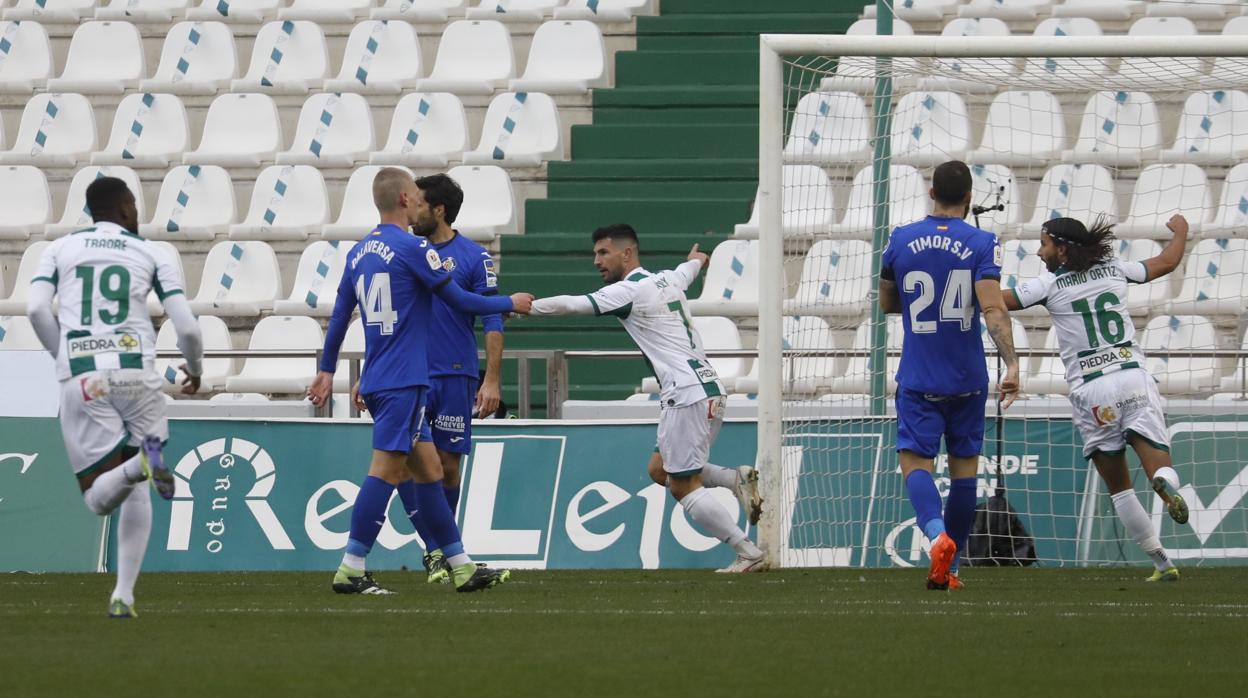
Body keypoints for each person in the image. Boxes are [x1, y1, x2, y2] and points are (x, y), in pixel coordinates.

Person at [306, 168, 533, 594]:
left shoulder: (358, 253)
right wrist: (510, 303)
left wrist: (328, 368)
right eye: (415, 195)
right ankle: (352, 566)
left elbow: (339, 316)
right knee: (386, 473)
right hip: (406, 380)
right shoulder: (413, 249)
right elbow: (460, 299)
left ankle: (461, 565)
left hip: (380, 376)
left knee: (430, 471)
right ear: (407, 199)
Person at [529, 224, 767, 573]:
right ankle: (735, 480)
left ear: (627, 253)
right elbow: (687, 273)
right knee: (660, 470)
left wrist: (525, 307)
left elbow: (572, 304)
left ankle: (747, 551)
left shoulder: (630, 291)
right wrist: (697, 261)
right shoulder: (667, 279)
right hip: (708, 388)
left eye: (603, 252)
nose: (597, 261)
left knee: (683, 485)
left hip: (685, 394)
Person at [27, 177, 204, 618]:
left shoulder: (59, 249)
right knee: (137, 489)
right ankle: (123, 595)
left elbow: (34, 310)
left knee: (98, 498)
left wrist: (63, 356)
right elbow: (187, 327)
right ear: (126, 209)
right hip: (136, 376)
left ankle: (139, 464)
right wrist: (196, 370)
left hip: (85, 379)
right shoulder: (151, 253)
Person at [1005, 214, 1190, 582]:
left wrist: (973, 276)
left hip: (1093, 391)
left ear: (1062, 248)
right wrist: (1181, 230)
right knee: (1158, 462)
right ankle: (1167, 483)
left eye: (1044, 244)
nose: (1040, 252)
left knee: (1120, 488)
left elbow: (998, 302)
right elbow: (1167, 262)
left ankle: (1161, 562)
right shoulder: (1114, 268)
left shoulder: (1049, 284)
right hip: (1132, 377)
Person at [878, 160, 1020, 590]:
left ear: (930, 192)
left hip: (920, 376)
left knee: (915, 462)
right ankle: (952, 567)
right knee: (964, 470)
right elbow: (993, 309)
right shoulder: (982, 242)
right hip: (968, 378)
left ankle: (936, 535)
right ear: (969, 198)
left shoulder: (900, 240)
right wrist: (1012, 363)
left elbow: (887, 302)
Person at [407, 173, 506, 584]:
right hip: (407, 374)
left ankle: (446, 552)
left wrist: (493, 380)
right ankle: (437, 550)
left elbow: (492, 317)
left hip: (455, 374)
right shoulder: (406, 252)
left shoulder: (474, 257)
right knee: (404, 463)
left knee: (448, 466)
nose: (411, 211)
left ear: (439, 210)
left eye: (419, 204)